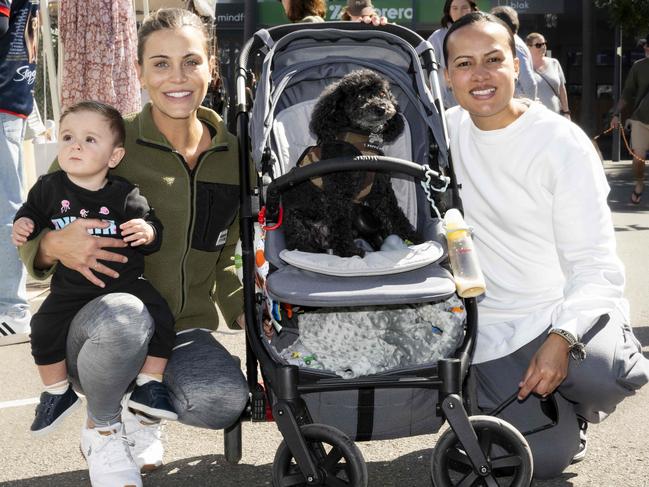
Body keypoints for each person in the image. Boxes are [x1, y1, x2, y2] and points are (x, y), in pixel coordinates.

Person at [19, 8, 248, 487]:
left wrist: (241, 307)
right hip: (97, 324)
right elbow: (37, 219)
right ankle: (101, 429)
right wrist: (51, 246)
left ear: (213, 68)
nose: (177, 78)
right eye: (160, 64)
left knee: (221, 400)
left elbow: (227, 250)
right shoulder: (104, 141)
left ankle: (141, 418)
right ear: (140, 73)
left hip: (177, 332)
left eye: (191, 61)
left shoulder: (234, 156)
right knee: (125, 315)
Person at [442, 11, 649, 479]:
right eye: (464, 63)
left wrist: (562, 337)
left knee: (602, 373)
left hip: (560, 311)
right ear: (447, 74)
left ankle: (581, 387)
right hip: (488, 329)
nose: (480, 75)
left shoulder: (562, 143)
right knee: (526, 464)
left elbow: (595, 263)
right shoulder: (443, 135)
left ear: (518, 65)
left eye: (493, 59)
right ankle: (558, 421)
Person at [12, 101, 178, 437]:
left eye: (90, 140)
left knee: (161, 316)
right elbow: (30, 214)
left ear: (113, 157)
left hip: (126, 284)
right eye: (68, 136)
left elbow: (152, 226)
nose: (75, 145)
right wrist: (24, 223)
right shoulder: (48, 188)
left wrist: (147, 231)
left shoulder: (125, 194)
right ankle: (57, 393)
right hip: (71, 289)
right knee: (42, 326)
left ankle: (150, 382)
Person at [0, 0, 40, 346]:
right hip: (11, 95)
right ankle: (11, 307)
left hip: (4, 97)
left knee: (5, 209)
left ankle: (12, 310)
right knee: (6, 206)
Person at [610, 34, 649, 205]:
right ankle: (639, 183)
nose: (646, 48)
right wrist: (616, 114)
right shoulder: (638, 67)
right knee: (638, 158)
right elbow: (627, 93)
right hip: (641, 120)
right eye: (645, 45)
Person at [426, 0, 478, 108]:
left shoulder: (480, 33)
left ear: (472, 9)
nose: (459, 12)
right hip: (446, 106)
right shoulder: (437, 38)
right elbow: (425, 71)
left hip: (477, 100)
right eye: (454, 8)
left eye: (464, 7)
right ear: (448, 11)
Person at [490, 5, 537, 102]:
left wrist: (528, 107)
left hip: (518, 105)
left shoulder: (514, 45)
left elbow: (529, 83)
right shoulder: (513, 41)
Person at [526, 32, 570, 118]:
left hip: (555, 115)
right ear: (528, 47)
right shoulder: (523, 67)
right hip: (533, 117)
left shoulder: (554, 63)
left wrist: (566, 112)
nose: (543, 47)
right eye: (538, 45)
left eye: (544, 44)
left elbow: (562, 89)